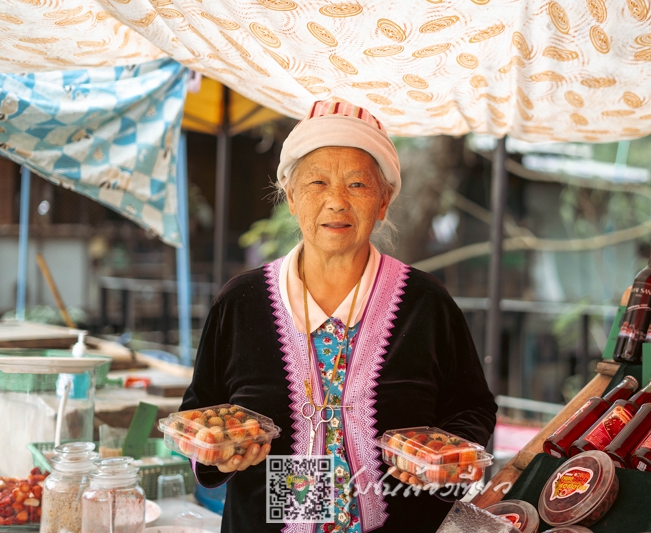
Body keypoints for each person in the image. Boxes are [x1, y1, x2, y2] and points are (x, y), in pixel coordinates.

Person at [180, 100, 498, 532]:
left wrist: (443, 460)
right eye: (317, 182)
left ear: (383, 201)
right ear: (291, 197)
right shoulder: (242, 302)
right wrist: (221, 453)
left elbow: (471, 408)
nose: (336, 202)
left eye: (357, 185)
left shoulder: (426, 303)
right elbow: (201, 412)